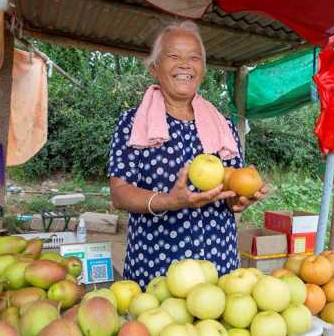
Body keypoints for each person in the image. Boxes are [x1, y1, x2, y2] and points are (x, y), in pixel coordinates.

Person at [108, 20, 267, 289]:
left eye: (194, 57)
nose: (185, 64)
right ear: (155, 67)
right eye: (173, 56)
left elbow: (229, 194)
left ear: (203, 70)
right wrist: (170, 201)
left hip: (218, 264)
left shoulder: (223, 126)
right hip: (157, 268)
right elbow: (119, 193)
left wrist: (241, 199)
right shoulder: (133, 123)